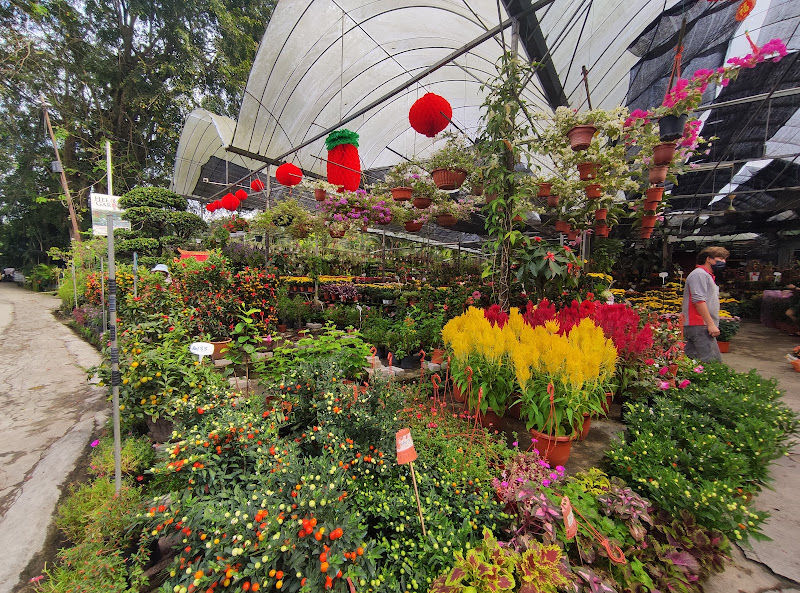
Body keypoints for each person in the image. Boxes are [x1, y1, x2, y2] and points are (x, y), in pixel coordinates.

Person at [682, 246, 729, 361]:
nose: (723, 262)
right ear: (709, 259)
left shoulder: (707, 276)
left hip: (700, 325)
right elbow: (698, 301)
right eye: (720, 258)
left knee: (693, 362)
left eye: (724, 259)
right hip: (699, 325)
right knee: (711, 364)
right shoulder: (699, 274)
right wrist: (710, 324)